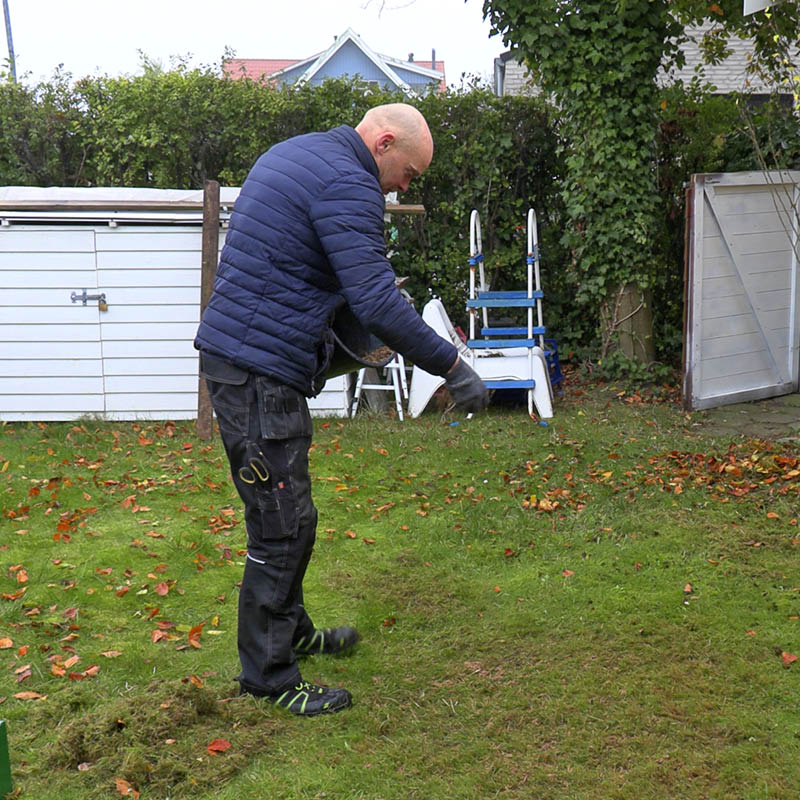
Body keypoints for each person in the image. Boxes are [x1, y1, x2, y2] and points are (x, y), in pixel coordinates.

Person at [194, 103, 488, 717]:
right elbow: (377, 300)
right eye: (408, 173)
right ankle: (269, 679)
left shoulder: (298, 151)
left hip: (249, 362)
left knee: (292, 514)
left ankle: (292, 630)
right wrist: (453, 367)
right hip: (257, 375)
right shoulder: (348, 183)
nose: (406, 186)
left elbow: (294, 269)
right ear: (383, 143)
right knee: (281, 526)